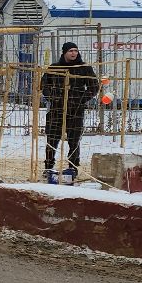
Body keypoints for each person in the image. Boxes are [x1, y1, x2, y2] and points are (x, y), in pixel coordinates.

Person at [39, 42, 98, 183]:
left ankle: (73, 167)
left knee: (74, 140)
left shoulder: (84, 68)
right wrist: (53, 98)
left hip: (76, 109)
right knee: (52, 139)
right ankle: (48, 166)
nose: (74, 53)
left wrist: (81, 99)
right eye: (71, 51)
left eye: (76, 51)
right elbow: (44, 85)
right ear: (64, 52)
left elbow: (94, 87)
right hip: (57, 109)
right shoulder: (54, 68)